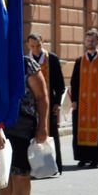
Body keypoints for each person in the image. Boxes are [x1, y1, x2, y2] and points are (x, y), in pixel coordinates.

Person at [0, 54, 48, 195]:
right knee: (2, 173)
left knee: (20, 174)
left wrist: (43, 126)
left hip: (23, 124)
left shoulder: (26, 63)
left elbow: (42, 97)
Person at [68, 29, 98, 168]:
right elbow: (74, 82)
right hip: (82, 102)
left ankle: (96, 158)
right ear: (85, 42)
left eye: (93, 40)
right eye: (88, 40)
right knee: (80, 130)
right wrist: (74, 100)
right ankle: (83, 157)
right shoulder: (80, 60)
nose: (90, 43)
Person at [27, 33, 65, 174]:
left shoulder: (52, 59)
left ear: (42, 42)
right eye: (32, 46)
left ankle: (54, 166)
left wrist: (57, 103)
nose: (36, 49)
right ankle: (35, 167)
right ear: (28, 45)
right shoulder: (26, 60)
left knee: (52, 135)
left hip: (50, 104)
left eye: (38, 45)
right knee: (32, 137)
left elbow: (60, 84)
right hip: (30, 106)